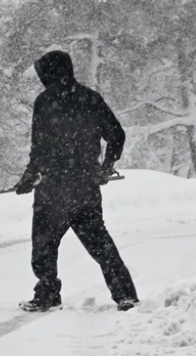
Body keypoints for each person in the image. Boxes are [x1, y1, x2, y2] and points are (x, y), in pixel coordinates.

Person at [15, 49, 139, 312]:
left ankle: (48, 293)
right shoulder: (89, 99)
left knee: (43, 249)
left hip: (54, 191)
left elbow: (39, 148)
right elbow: (116, 134)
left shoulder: (46, 102)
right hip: (83, 189)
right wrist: (106, 166)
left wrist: (30, 176)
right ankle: (125, 296)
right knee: (101, 247)